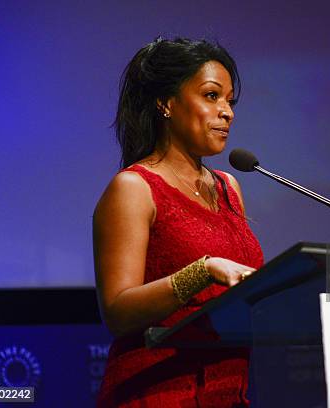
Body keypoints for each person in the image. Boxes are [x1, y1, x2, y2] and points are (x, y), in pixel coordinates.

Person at [94, 37, 263, 407]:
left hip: (229, 393)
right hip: (157, 392)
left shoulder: (229, 187)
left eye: (229, 101)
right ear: (166, 103)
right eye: (211, 95)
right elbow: (118, 312)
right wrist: (201, 271)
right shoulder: (134, 188)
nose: (227, 112)